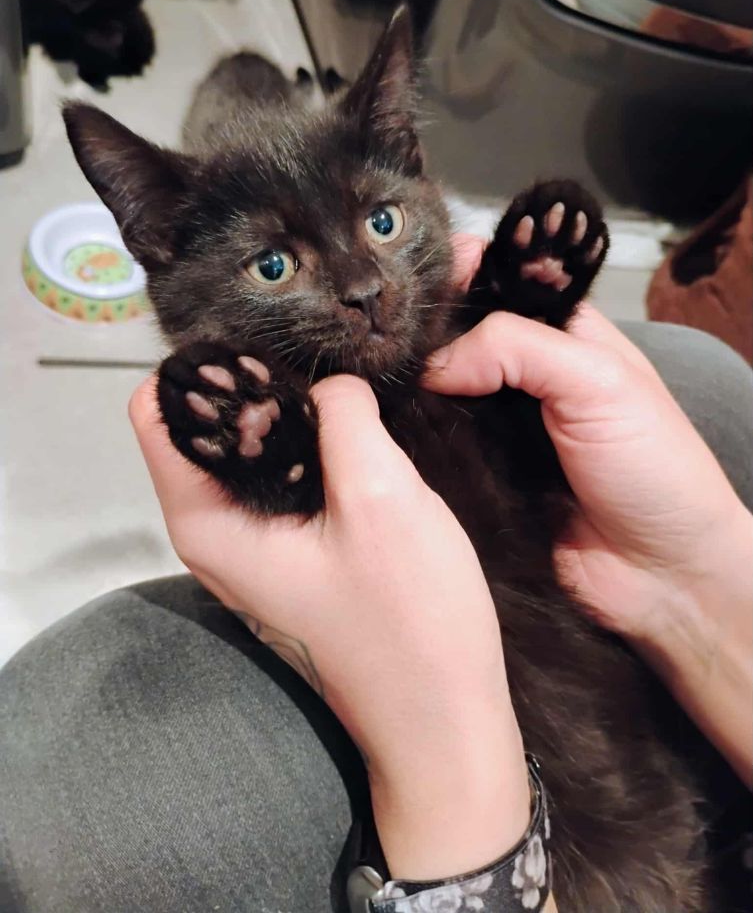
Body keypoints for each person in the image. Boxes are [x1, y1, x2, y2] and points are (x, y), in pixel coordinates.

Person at [1, 234, 751, 912]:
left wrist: (438, 750)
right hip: (665, 737)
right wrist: (697, 578)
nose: (363, 282)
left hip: (596, 863)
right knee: (696, 370)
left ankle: (281, 467)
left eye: (382, 224)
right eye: (274, 267)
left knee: (67, 742)